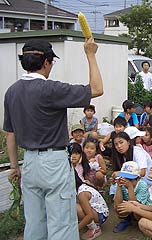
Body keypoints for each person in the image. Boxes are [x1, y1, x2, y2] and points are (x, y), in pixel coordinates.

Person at [4, 37, 103, 239]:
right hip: (54, 162)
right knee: (61, 224)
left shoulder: (11, 92)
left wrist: (14, 166)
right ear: (46, 62)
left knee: (34, 223)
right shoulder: (51, 89)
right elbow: (96, 89)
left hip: (29, 162)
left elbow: (10, 134)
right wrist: (90, 54)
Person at [113, 161, 152, 233]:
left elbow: (136, 204)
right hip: (128, 205)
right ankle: (127, 220)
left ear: (138, 178)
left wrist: (130, 187)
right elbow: (117, 203)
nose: (126, 181)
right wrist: (118, 186)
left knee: (136, 210)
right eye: (125, 178)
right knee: (118, 207)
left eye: (130, 179)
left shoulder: (142, 185)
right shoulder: (121, 183)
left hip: (143, 208)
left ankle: (139, 222)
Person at [75, 171, 108, 240]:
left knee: (77, 209)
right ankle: (87, 224)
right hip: (95, 210)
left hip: (101, 214)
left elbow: (90, 216)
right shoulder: (81, 186)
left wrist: (74, 230)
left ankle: (95, 229)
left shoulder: (82, 194)